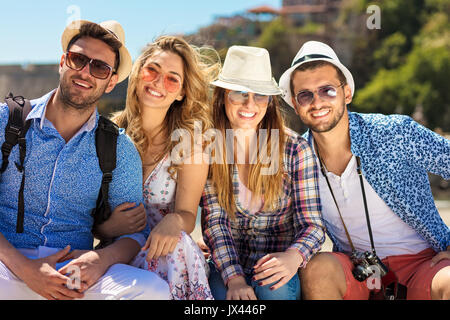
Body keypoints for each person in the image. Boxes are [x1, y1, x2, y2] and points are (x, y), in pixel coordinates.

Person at [0, 20, 170, 300]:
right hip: (8, 267)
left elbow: (136, 235)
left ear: (111, 81)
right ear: (62, 62)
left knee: (152, 291)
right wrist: (28, 270)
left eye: (100, 67)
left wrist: (101, 259)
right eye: (78, 59)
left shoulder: (118, 148)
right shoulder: (7, 121)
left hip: (75, 276)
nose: (85, 72)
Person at [279, 40, 450, 300]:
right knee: (317, 269)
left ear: (346, 93)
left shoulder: (395, 132)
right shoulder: (295, 160)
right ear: (295, 103)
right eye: (305, 94)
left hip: (424, 265)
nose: (317, 102)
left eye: (327, 90)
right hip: (358, 272)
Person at [201, 45, 325, 300]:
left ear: (269, 103)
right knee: (222, 294)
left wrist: (293, 257)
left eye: (259, 95)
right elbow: (216, 223)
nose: (250, 104)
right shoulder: (210, 148)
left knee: (274, 290)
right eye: (239, 93)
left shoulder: (295, 150)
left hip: (279, 266)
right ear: (223, 96)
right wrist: (234, 279)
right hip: (228, 267)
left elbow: (312, 225)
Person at [104, 36, 219, 300]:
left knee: (176, 245)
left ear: (181, 92)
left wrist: (173, 220)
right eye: (152, 70)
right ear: (138, 73)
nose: (158, 82)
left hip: (166, 250)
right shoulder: (108, 134)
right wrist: (107, 228)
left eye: (172, 78)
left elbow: (189, 214)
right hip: (117, 250)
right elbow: (89, 214)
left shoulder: (191, 142)